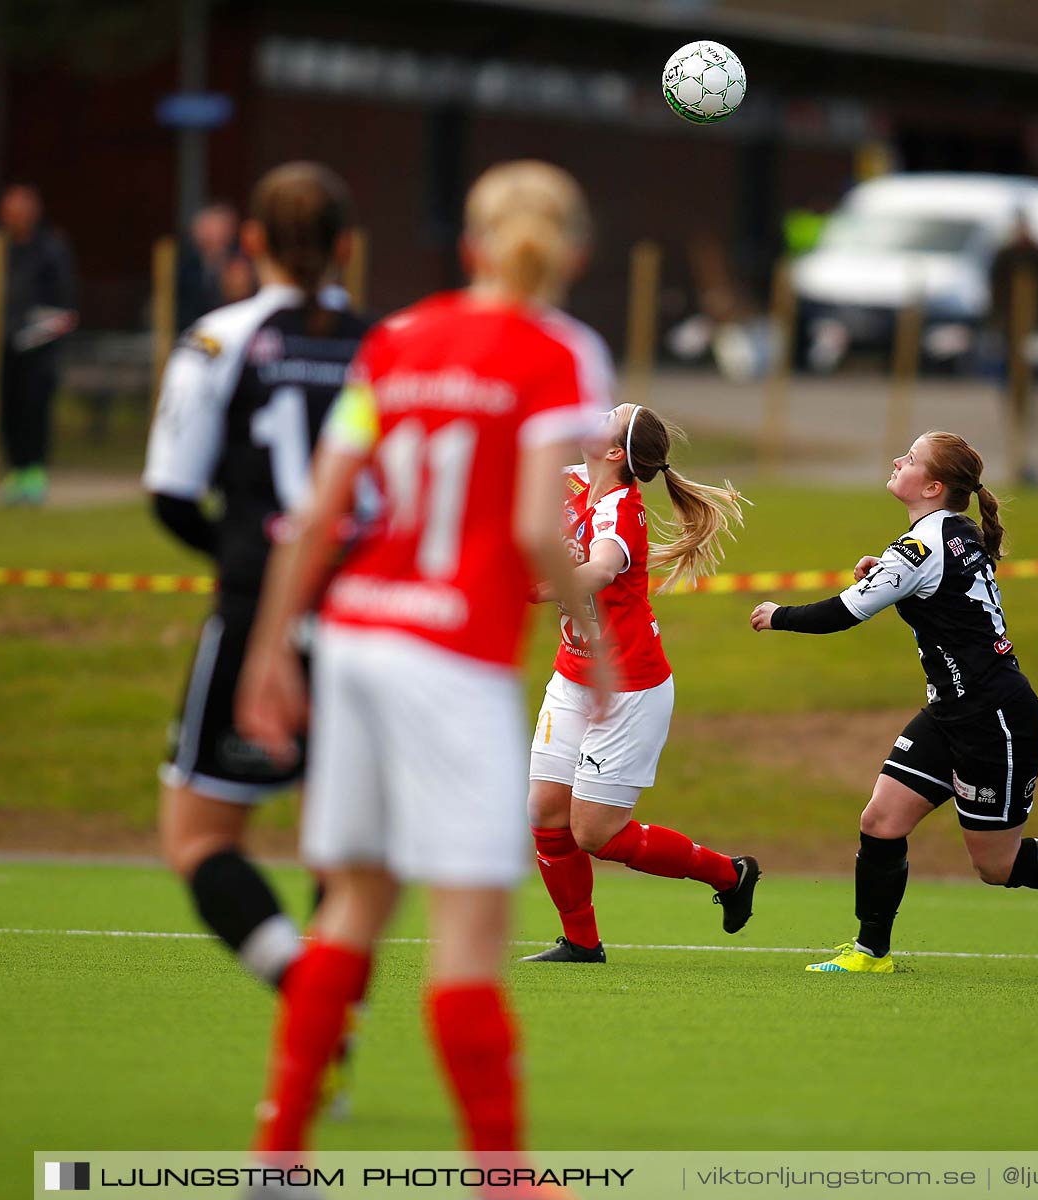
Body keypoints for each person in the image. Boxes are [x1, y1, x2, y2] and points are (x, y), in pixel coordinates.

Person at [234, 159, 611, 1163]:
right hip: (452, 659)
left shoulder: (392, 339)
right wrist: (596, 632)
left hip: (352, 637)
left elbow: (315, 516)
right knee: (468, 928)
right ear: (573, 253)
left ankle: (280, 1161)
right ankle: (502, 1177)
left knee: (353, 903)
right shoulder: (563, 351)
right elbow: (540, 526)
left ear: (468, 247)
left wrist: (270, 650)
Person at [749, 431, 1038, 975]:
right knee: (882, 820)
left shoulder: (920, 546)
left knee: (998, 866)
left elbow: (844, 613)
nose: (897, 460)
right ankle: (871, 954)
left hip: (994, 718)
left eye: (910, 459)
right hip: (950, 712)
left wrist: (779, 615)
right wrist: (887, 575)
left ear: (933, 486)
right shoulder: (950, 534)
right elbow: (937, 591)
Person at [142, 164, 365, 1002]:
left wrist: (246, 564)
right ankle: (332, 1026)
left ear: (252, 242)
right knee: (342, 846)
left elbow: (170, 495)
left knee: (198, 839)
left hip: (252, 617)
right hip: (365, 621)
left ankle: (294, 976)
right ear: (346, 246)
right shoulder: (386, 347)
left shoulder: (216, 341)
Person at [522, 403, 759, 964]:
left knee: (596, 834)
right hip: (574, 675)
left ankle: (729, 874)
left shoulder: (619, 510)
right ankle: (581, 944)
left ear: (614, 452)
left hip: (629, 689)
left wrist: (542, 586)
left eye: (609, 417)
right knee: (545, 813)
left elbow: (602, 567)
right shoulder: (573, 480)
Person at [0, 183, 78, 506]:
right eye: (11, 211)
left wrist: (43, 332)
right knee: (4, 409)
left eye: (22, 211)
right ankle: (15, 470)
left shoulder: (50, 249)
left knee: (33, 409)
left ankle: (34, 473)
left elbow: (65, 300)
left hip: (38, 347)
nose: (16, 217)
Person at [987, 210, 1038, 484]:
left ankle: (1025, 404)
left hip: (1030, 327)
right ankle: (1014, 401)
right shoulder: (1005, 255)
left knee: (1028, 374)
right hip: (1009, 329)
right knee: (1009, 374)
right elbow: (995, 288)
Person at [177, 201, 255, 328]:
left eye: (219, 227)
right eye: (206, 228)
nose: (212, 234)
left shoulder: (242, 262)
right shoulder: (185, 264)